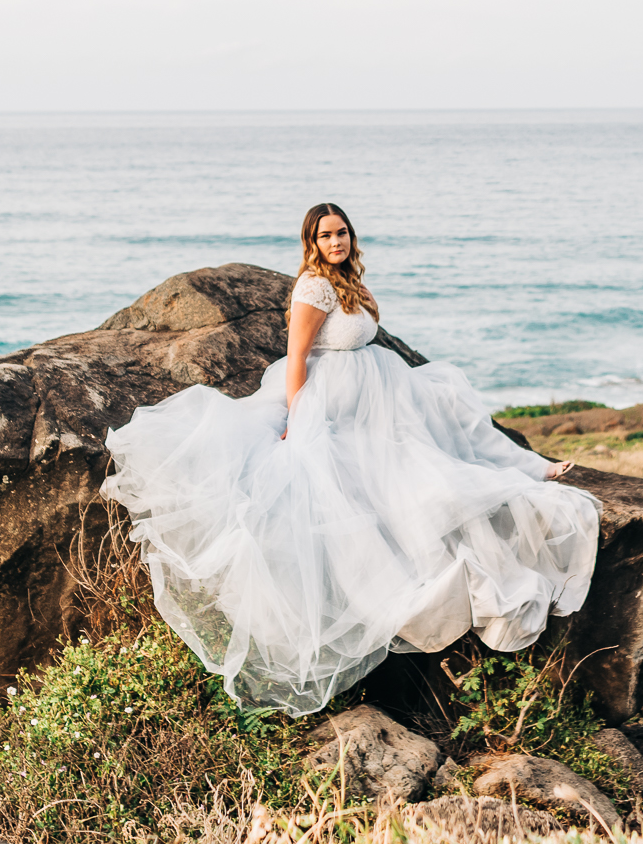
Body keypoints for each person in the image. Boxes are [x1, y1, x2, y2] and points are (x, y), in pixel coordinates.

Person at [100, 202, 601, 716]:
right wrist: (297, 419)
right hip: (334, 400)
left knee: (451, 407)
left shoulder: (348, 281)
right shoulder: (313, 288)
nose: (336, 242)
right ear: (311, 243)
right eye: (326, 236)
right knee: (399, 477)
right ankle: (521, 475)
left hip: (377, 391)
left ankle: (531, 466)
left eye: (342, 233)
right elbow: (297, 356)